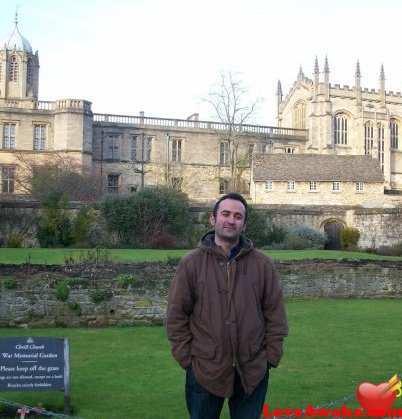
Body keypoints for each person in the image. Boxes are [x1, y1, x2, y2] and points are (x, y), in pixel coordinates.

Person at [166, 193, 288, 419]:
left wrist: (270, 357)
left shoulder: (262, 264)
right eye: (226, 214)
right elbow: (176, 316)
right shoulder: (191, 263)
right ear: (213, 220)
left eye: (238, 216)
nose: (231, 220)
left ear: (244, 223)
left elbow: (275, 315)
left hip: (251, 372)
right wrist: (187, 359)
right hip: (204, 370)